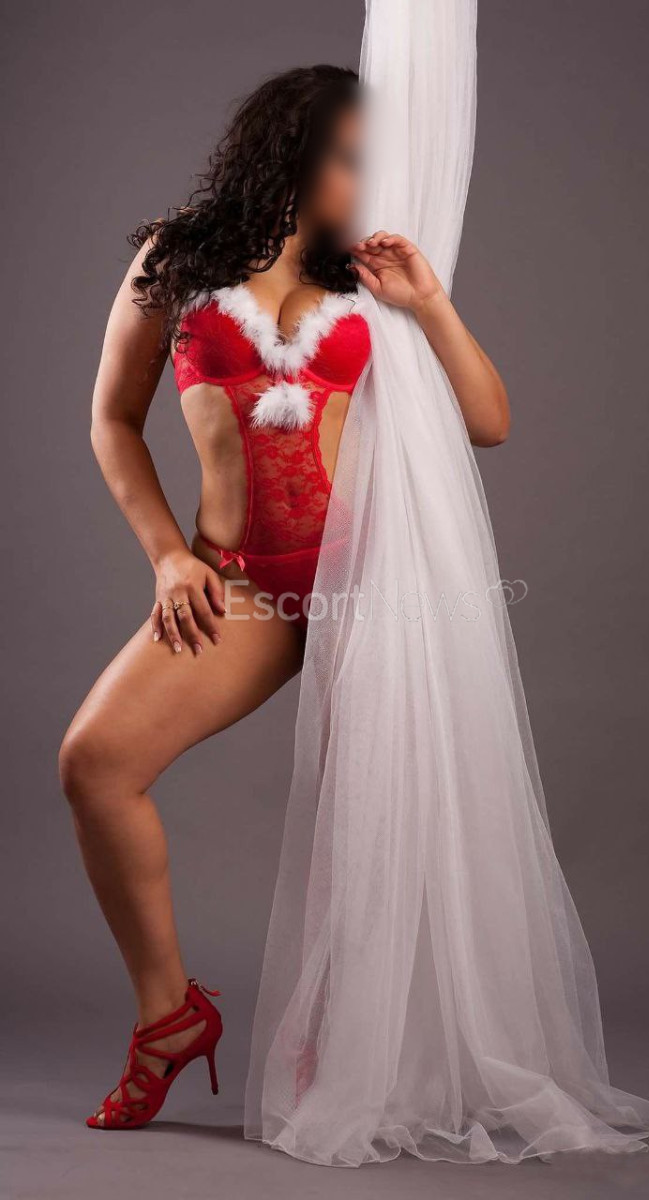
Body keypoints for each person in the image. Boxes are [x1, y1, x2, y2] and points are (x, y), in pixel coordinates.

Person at [58, 64, 510, 1131]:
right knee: (96, 764)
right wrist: (167, 557)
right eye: (353, 158)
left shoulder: (374, 271)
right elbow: (113, 420)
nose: (368, 180)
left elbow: (488, 422)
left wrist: (429, 303)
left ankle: (338, 1054)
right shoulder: (176, 257)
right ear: (293, 150)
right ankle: (169, 1018)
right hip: (241, 586)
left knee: (369, 826)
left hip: (371, 584)